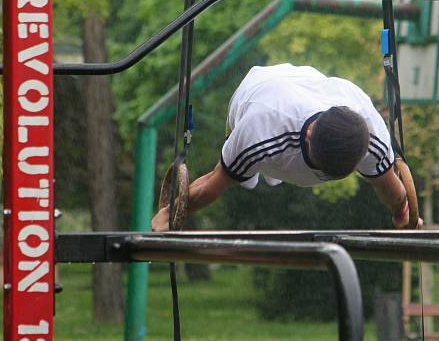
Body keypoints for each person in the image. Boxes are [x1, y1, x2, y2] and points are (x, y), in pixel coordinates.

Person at [152, 63, 418, 231]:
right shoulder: (259, 131)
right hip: (256, 92)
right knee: (241, 173)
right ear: (309, 134)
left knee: (381, 173)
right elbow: (214, 181)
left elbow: (391, 190)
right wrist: (171, 213)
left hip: (311, 83)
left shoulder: (369, 134)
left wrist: (403, 214)